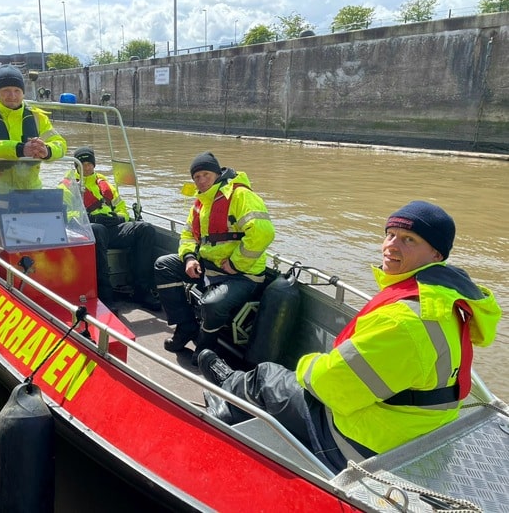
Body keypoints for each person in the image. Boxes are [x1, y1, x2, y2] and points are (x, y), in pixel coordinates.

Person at [198, 200, 501, 473]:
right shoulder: (445, 303)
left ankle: (225, 393)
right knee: (281, 379)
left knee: (267, 376)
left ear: (436, 254)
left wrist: (308, 364)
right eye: (390, 234)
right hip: (415, 428)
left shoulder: (404, 321)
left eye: (409, 240)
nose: (392, 246)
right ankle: (233, 390)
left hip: (365, 445)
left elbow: (329, 387)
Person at [154, 151, 275, 365]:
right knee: (164, 266)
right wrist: (190, 258)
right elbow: (188, 234)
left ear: (218, 173)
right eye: (196, 177)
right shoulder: (200, 203)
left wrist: (237, 263)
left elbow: (263, 232)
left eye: (205, 175)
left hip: (243, 275)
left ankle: (205, 346)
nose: (200, 181)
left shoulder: (240, 196)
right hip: (209, 267)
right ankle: (185, 327)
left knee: (211, 304)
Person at [68, 146, 161, 311]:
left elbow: (122, 209)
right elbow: (67, 215)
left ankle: (141, 290)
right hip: (88, 231)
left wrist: (118, 218)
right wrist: (91, 218)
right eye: (82, 164)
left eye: (89, 163)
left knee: (145, 229)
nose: (87, 167)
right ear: (76, 167)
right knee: (98, 229)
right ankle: (105, 294)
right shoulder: (68, 186)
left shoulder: (105, 185)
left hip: (112, 229)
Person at [0, 64, 67, 189]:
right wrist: (20, 149)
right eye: (6, 91)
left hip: (31, 191)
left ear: (23, 93)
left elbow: (61, 145)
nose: (12, 96)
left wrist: (47, 150)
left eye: (17, 91)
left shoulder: (38, 117)